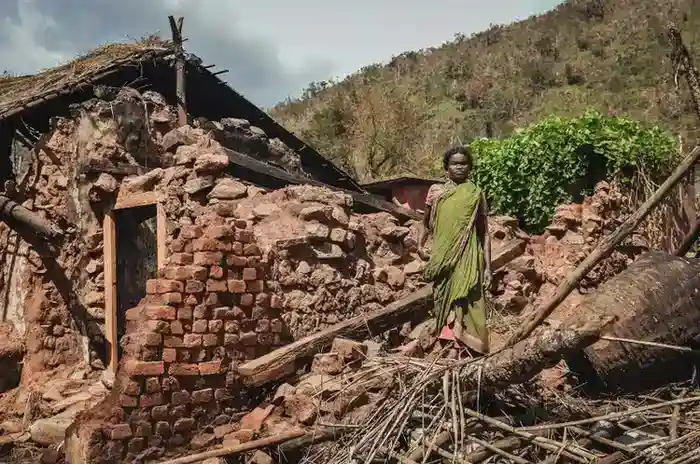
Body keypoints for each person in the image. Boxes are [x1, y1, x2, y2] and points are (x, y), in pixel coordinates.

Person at [420, 145, 492, 355]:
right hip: (442, 258)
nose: (459, 167)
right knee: (443, 298)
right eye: (454, 163)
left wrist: (488, 267)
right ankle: (448, 346)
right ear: (446, 167)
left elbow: (484, 233)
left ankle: (468, 350)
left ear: (470, 167)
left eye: (464, 163)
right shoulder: (436, 192)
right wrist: (419, 245)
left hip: (468, 257)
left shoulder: (476, 194)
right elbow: (424, 223)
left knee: (469, 298)